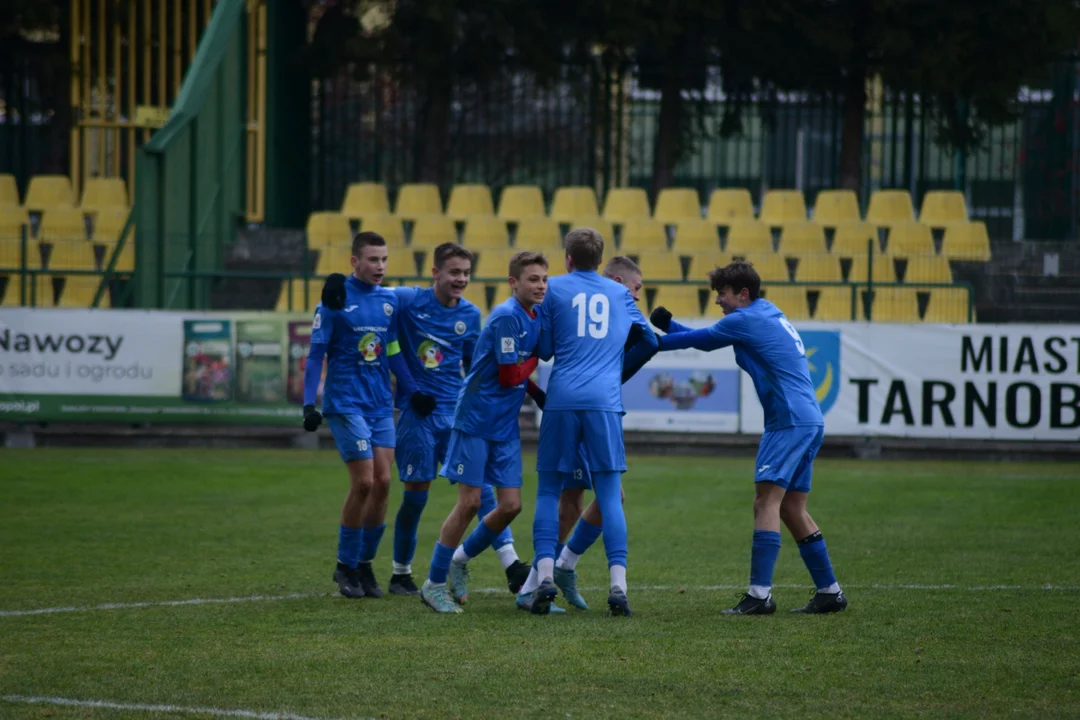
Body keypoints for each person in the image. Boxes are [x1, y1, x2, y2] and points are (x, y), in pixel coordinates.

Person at [650, 260, 847, 615]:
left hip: (787, 420)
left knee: (765, 503)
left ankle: (759, 596)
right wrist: (668, 328)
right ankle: (830, 591)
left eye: (722, 295)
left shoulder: (745, 319)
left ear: (743, 293)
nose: (718, 302)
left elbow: (701, 341)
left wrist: (647, 339)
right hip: (807, 419)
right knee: (791, 507)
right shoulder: (764, 313)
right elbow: (708, 338)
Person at [388, 242, 531, 596]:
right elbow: (373, 297)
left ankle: (511, 564)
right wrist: (409, 388)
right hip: (416, 414)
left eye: (466, 273)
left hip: (457, 414)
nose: (461, 279)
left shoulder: (469, 314)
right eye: (454, 272)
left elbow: (475, 364)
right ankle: (401, 571)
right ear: (435, 273)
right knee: (416, 495)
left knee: (481, 492)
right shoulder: (408, 300)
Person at [515, 255, 654, 612]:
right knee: (608, 495)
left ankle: (544, 577)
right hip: (602, 402)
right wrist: (612, 372)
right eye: (636, 288)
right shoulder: (618, 295)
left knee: (551, 492)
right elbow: (650, 341)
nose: (637, 295)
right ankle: (617, 586)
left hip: (562, 399)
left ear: (568, 258)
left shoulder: (552, 287)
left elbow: (543, 350)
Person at [303, 231, 436, 600]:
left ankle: (364, 564)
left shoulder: (389, 300)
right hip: (345, 402)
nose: (379, 266)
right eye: (373, 260)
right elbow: (316, 355)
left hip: (380, 404)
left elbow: (392, 349)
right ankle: (345, 565)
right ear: (354, 262)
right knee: (363, 482)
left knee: (383, 483)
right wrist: (308, 404)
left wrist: (412, 390)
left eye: (384, 260)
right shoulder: (334, 301)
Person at [419, 251, 550, 613]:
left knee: (510, 506)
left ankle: (460, 560)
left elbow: (519, 373)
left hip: (504, 424)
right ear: (513, 283)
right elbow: (510, 375)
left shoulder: (535, 315)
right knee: (470, 502)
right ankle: (432, 584)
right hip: (476, 419)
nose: (540, 285)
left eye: (544, 279)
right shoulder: (507, 316)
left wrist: (539, 394)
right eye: (532, 279)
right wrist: (538, 358)